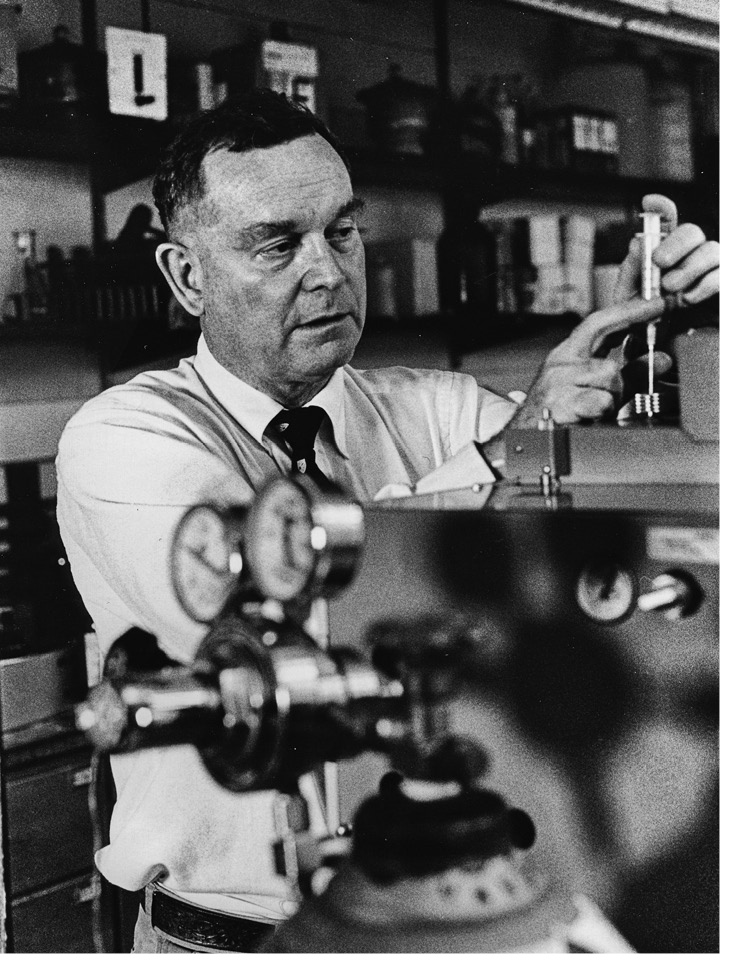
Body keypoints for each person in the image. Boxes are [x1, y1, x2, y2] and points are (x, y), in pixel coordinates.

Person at [56, 90, 719, 952]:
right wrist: (506, 453)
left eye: (341, 231)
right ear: (187, 277)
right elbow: (285, 608)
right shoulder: (124, 436)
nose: (327, 271)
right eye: (276, 243)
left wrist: (666, 342)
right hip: (227, 938)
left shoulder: (434, 408)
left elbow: (597, 496)